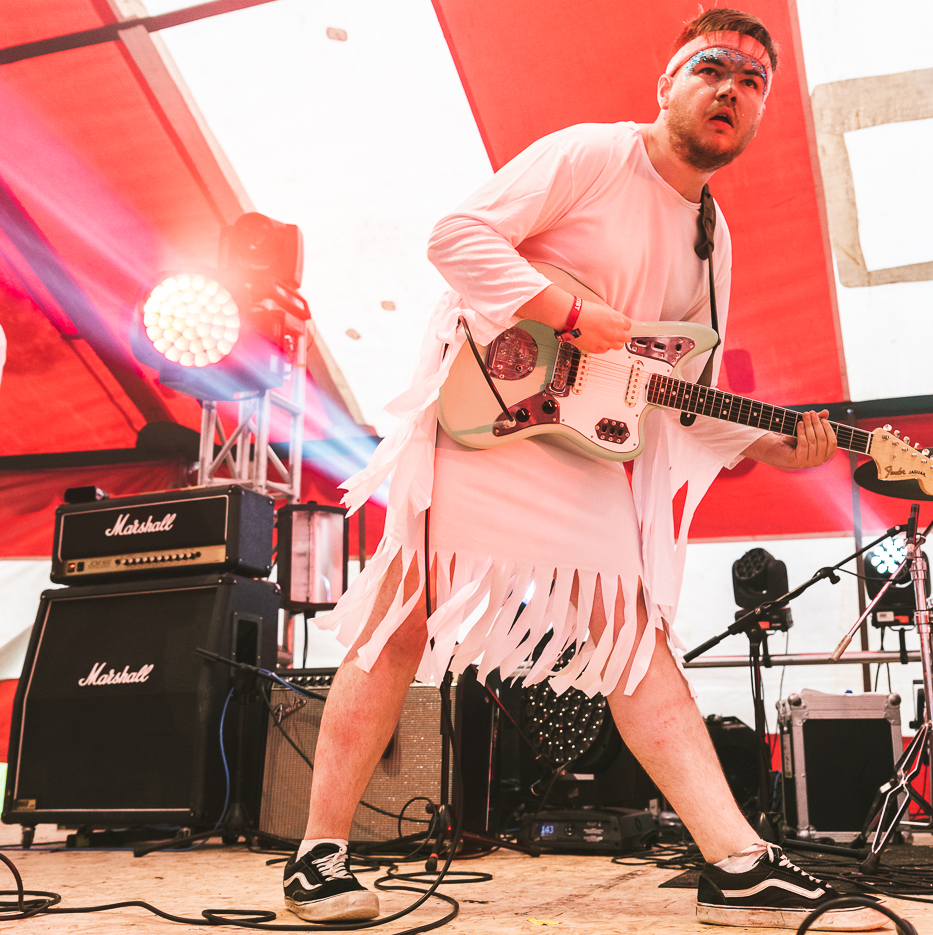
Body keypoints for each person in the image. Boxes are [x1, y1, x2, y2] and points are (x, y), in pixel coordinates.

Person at [280, 10, 884, 932]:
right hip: (492, 419)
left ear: (760, 111)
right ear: (668, 83)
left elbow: (686, 395)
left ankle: (735, 862)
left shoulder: (717, 243)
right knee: (401, 616)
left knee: (633, 644)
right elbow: (457, 237)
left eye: (753, 80)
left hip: (594, 452)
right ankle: (318, 856)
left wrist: (775, 442)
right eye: (711, 68)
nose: (731, 88)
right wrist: (569, 311)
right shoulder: (593, 154)